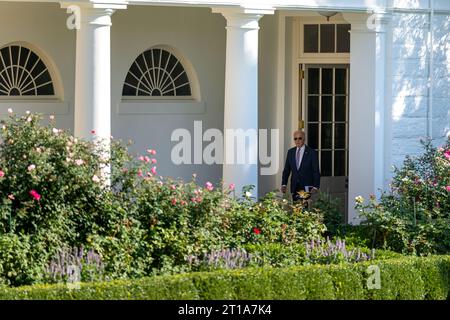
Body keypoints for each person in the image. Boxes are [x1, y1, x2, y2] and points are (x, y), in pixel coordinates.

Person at [281, 130, 320, 202]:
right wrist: (284, 184)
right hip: (294, 186)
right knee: (296, 208)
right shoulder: (291, 152)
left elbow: (316, 171)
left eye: (300, 138)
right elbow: (286, 170)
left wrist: (316, 186)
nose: (297, 140)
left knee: (304, 208)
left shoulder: (311, 152)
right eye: (295, 138)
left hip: (306, 186)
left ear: (304, 139)